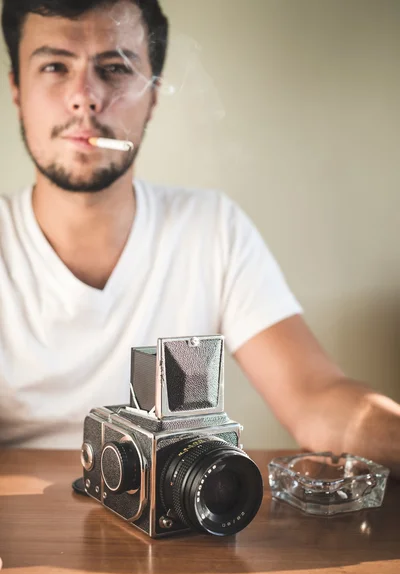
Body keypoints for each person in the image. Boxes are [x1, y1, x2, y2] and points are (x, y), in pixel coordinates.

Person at [0, 0, 399, 476]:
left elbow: (316, 396)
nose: (84, 97)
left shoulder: (210, 228)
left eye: (114, 68)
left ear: (153, 97)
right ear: (17, 90)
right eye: (55, 66)